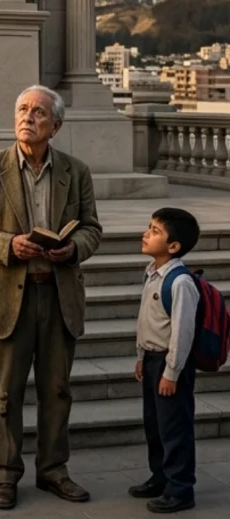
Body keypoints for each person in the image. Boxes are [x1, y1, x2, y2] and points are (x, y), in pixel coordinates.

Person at [0, 85, 103, 511]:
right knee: (5, 395)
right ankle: (5, 476)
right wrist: (8, 245)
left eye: (38, 112)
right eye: (22, 109)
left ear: (55, 125)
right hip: (7, 297)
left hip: (58, 296)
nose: (28, 117)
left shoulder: (76, 171)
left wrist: (73, 249)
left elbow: (92, 228)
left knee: (57, 390)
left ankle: (54, 471)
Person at [130, 208, 202, 513]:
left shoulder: (180, 282)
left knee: (174, 427)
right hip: (152, 361)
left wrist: (171, 373)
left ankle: (181, 488)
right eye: (149, 227)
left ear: (173, 246)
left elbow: (182, 333)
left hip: (170, 365)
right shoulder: (152, 272)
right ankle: (160, 476)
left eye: (155, 231)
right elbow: (148, 322)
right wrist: (141, 357)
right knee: (155, 425)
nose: (147, 234)